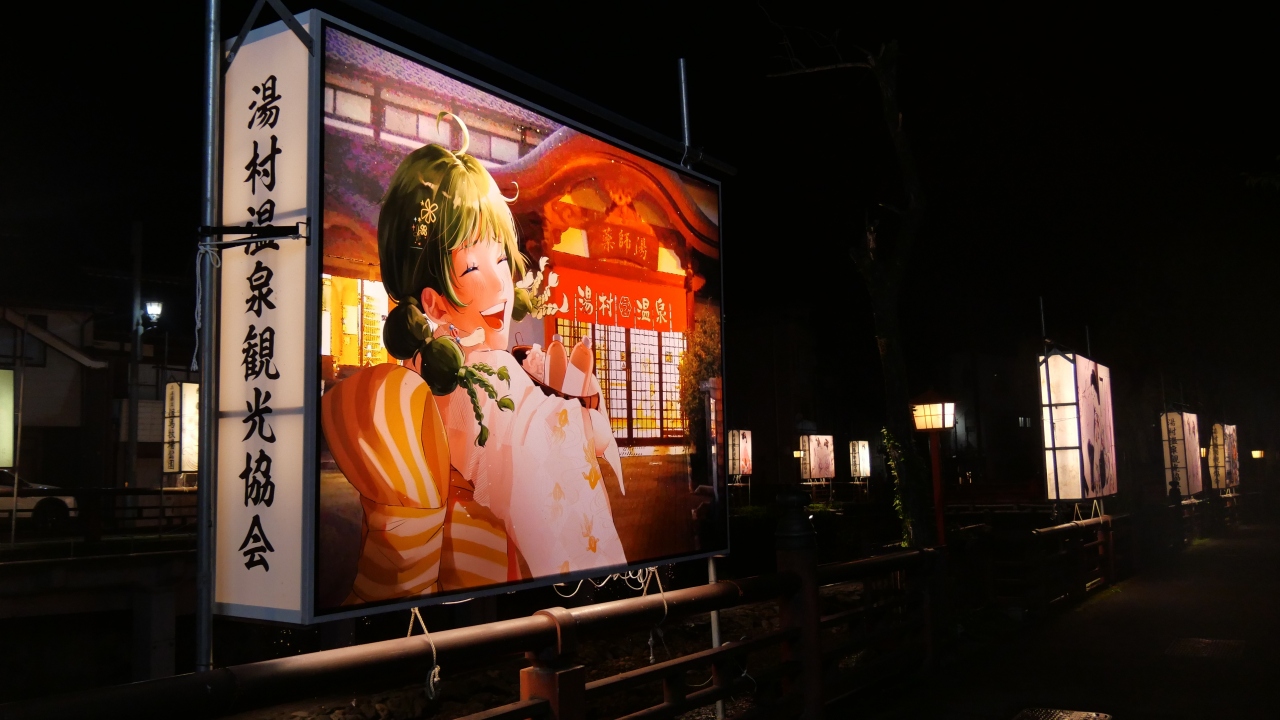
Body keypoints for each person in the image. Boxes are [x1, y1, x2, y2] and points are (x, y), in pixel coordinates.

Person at [321, 114, 626, 604]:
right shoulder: (484, 384)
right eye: (472, 266)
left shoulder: (437, 382)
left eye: (501, 258)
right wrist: (573, 417)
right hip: (477, 606)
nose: (502, 282)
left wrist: (569, 410)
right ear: (435, 303)